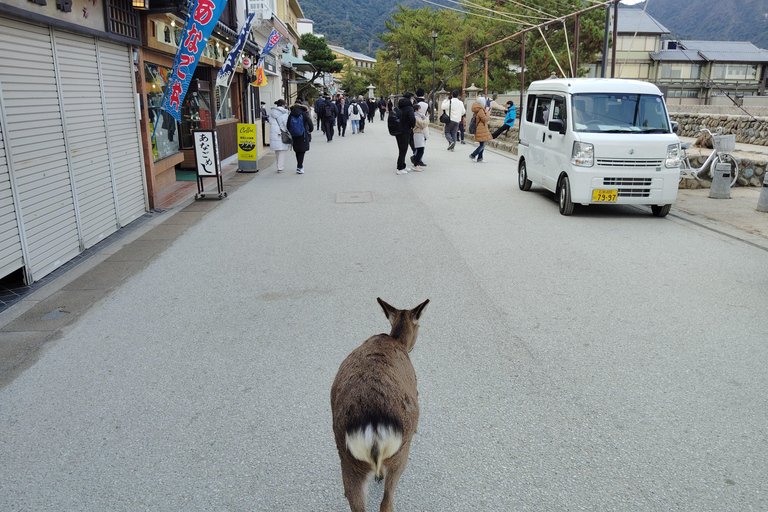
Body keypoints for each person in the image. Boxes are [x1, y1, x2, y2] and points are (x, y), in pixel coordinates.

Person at [288, 100, 314, 174]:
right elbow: (310, 122)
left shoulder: (291, 114)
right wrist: (310, 130)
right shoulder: (304, 113)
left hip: (294, 135)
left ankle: (299, 166)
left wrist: (291, 131)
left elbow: (288, 125)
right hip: (303, 134)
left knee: (297, 150)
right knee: (302, 151)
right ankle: (300, 167)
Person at [395, 92, 416, 175]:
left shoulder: (398, 106)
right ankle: (399, 167)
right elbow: (412, 119)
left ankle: (403, 165)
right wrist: (412, 126)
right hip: (406, 130)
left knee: (402, 149)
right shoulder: (409, 108)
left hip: (398, 130)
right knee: (403, 150)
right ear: (410, 98)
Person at [268, 99, 291, 173]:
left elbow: (270, 122)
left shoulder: (272, 113)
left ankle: (278, 166)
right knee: (282, 151)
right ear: (283, 105)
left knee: (277, 151)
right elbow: (286, 124)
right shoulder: (284, 114)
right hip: (282, 133)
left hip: (274, 133)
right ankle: (280, 167)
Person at [469, 96, 492, 163]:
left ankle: (480, 158)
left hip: (479, 128)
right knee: (483, 145)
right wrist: (488, 114)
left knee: (482, 144)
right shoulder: (480, 110)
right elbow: (484, 119)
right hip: (481, 129)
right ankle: (473, 155)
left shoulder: (477, 109)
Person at [411, 103, 429, 172]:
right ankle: (415, 165)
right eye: (419, 109)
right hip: (418, 134)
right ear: (416, 110)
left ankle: (417, 164)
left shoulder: (419, 116)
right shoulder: (416, 117)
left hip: (420, 134)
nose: (420, 111)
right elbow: (423, 124)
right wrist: (427, 118)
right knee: (420, 150)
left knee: (420, 150)